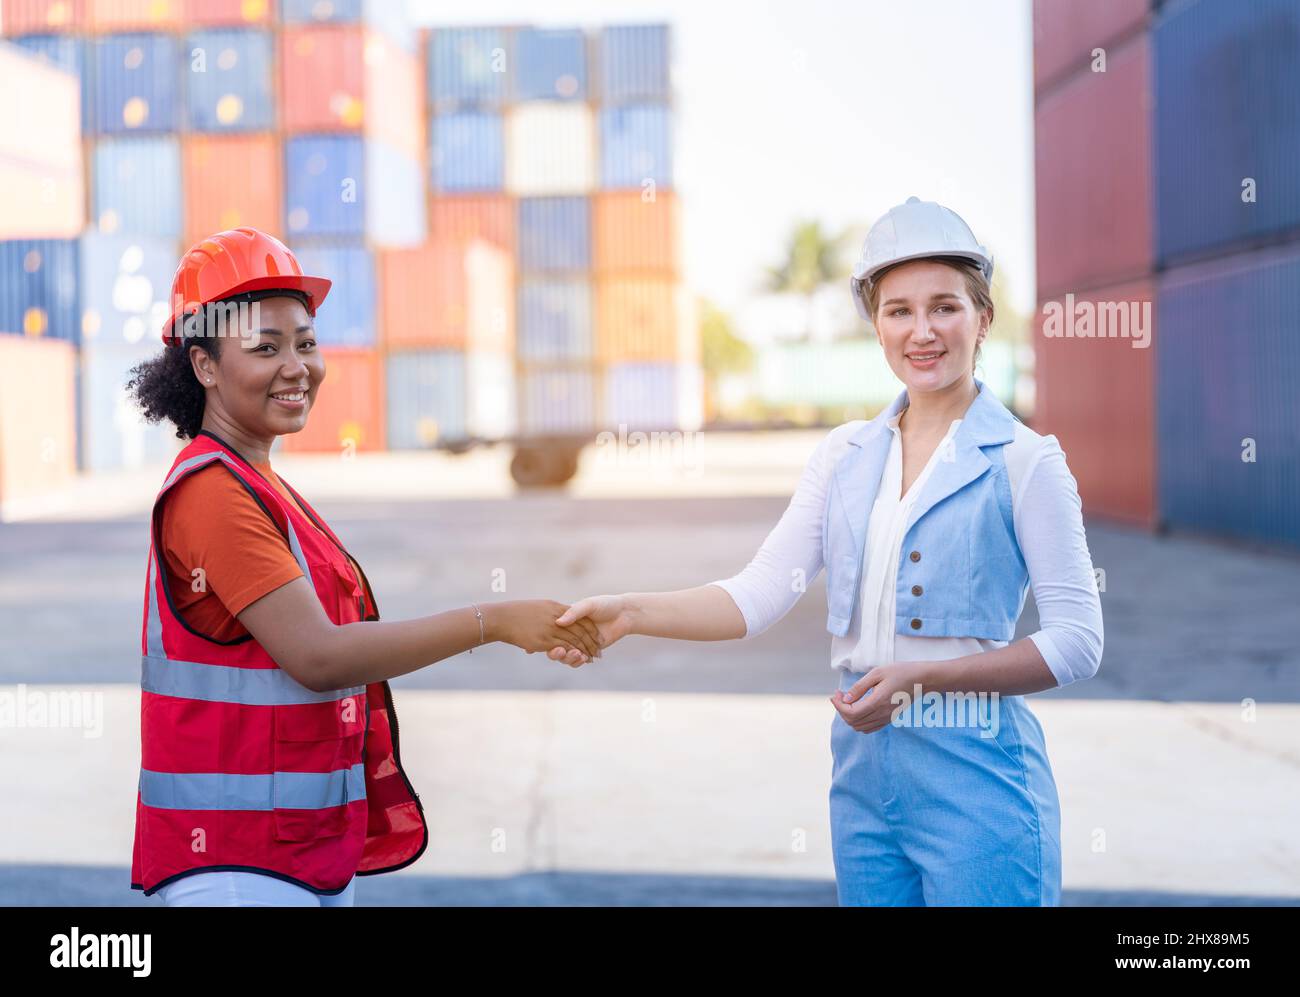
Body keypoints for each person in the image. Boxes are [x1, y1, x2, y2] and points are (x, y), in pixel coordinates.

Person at [549, 197, 1104, 906]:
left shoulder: (1026, 462)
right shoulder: (843, 456)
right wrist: (631, 610)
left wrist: (921, 681)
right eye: (899, 310)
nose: (922, 330)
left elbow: (1078, 642)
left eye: (946, 307)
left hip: (979, 775)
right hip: (863, 778)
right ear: (876, 326)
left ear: (984, 317)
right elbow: (757, 595)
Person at [126, 227, 602, 907]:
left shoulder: (261, 484)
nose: (297, 366)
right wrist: (491, 621)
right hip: (235, 868)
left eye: (306, 342)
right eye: (266, 347)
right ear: (204, 366)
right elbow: (318, 656)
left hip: (297, 853)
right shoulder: (212, 495)